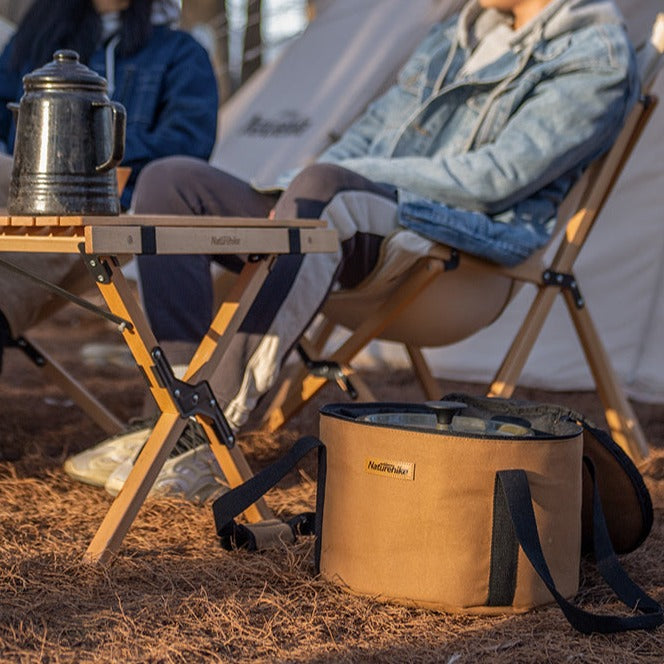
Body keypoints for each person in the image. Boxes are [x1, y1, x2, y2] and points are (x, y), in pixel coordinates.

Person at [66, 0, 639, 500]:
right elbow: (362, 137)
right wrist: (293, 188)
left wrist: (328, 179)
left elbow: (496, 177)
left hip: (454, 252)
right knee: (172, 180)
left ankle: (199, 422)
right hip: (352, 220)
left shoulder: (594, 53)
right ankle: (168, 406)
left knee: (324, 187)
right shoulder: (458, 33)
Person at [0, 0, 218, 484]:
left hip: (127, 204)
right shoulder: (35, 39)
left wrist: (85, 152)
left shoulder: (179, 52)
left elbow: (187, 146)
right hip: (17, 197)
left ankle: (170, 429)